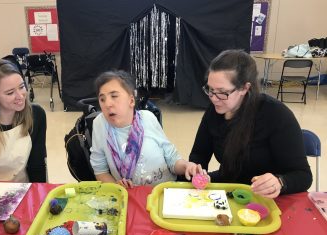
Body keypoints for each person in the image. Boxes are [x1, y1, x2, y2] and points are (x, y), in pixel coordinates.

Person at [186, 49, 312, 198]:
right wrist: (196, 169)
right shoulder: (215, 110)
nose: (213, 98)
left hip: (266, 196)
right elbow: (199, 153)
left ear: (244, 88)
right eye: (210, 89)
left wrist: (280, 182)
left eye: (222, 92)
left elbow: (303, 176)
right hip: (231, 186)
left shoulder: (276, 115)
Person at [90, 70, 194, 188]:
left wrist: (186, 166)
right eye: (102, 99)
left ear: (131, 100)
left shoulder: (147, 118)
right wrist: (117, 187)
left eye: (114, 96)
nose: (107, 104)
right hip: (129, 196)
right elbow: (100, 171)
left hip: (164, 191)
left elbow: (172, 159)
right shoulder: (100, 124)